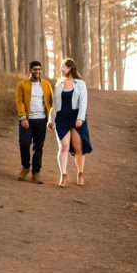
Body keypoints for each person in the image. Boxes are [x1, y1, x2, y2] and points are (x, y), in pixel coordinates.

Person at [48, 58, 92, 188]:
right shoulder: (59, 84)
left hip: (76, 117)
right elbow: (54, 104)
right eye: (61, 67)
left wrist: (80, 119)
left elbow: (83, 102)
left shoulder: (80, 84)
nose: (61, 69)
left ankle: (80, 173)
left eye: (63, 67)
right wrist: (51, 119)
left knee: (78, 147)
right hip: (61, 118)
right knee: (63, 146)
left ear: (70, 68)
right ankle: (63, 175)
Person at [15, 61, 54, 184]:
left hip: (41, 120)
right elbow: (19, 102)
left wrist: (52, 119)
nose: (37, 71)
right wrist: (23, 118)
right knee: (24, 143)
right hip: (27, 120)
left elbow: (52, 102)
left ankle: (36, 173)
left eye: (39, 69)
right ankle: (26, 167)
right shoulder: (22, 85)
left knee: (38, 147)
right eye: (35, 69)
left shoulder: (47, 85)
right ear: (30, 70)